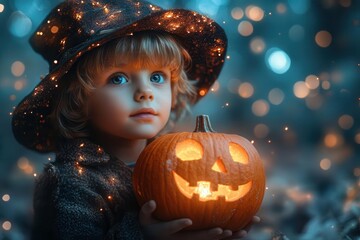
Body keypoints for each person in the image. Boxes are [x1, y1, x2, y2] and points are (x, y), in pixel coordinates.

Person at [12, 0, 259, 239]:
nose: (145, 92)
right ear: (78, 99)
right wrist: (142, 235)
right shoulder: (71, 183)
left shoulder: (175, 160)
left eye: (157, 77)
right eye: (118, 78)